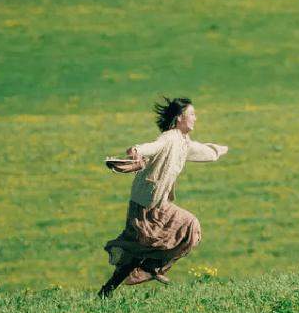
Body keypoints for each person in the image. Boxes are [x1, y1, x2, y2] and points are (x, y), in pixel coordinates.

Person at [98, 97, 228, 297]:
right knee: (140, 249)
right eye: (192, 114)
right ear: (179, 118)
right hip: (145, 204)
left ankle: (147, 269)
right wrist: (137, 150)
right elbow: (153, 146)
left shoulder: (184, 143)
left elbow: (203, 152)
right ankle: (112, 288)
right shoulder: (169, 138)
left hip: (160, 203)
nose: (195, 118)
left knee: (189, 227)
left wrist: (219, 150)